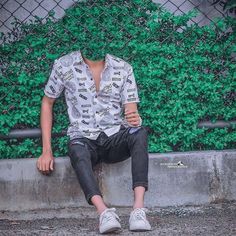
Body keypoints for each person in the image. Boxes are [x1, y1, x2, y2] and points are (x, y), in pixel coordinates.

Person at [37, 49, 151, 234]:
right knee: (76, 148)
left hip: (114, 136)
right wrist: (46, 150)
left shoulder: (123, 67)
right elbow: (47, 102)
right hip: (83, 137)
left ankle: (138, 210)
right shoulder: (63, 65)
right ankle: (104, 212)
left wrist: (134, 118)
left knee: (139, 133)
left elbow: (131, 111)